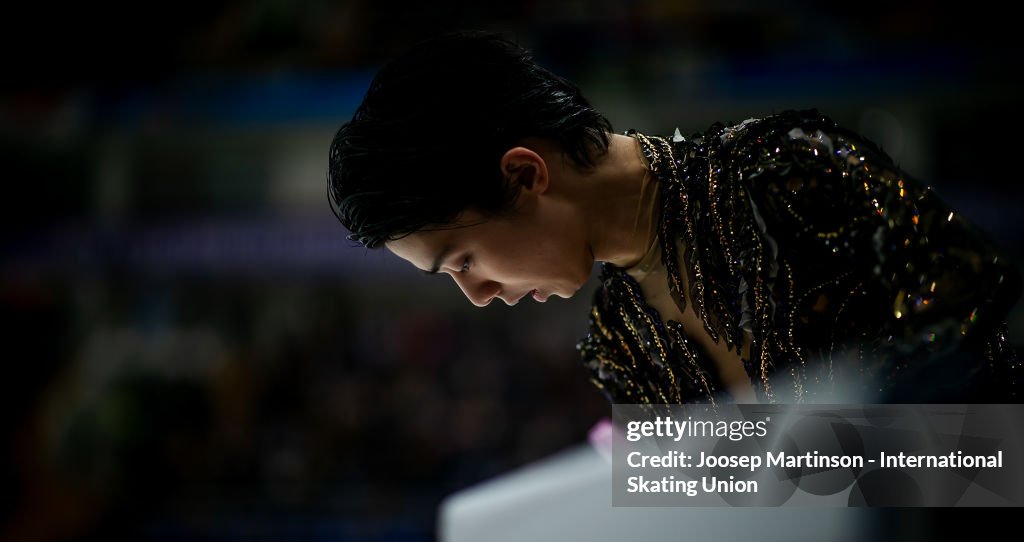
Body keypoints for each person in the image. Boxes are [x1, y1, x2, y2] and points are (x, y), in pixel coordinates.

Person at [327, 30, 1022, 405]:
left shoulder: (790, 174)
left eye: (463, 261)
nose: (476, 295)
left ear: (524, 174)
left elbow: (996, 447)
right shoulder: (619, 342)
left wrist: (785, 478)